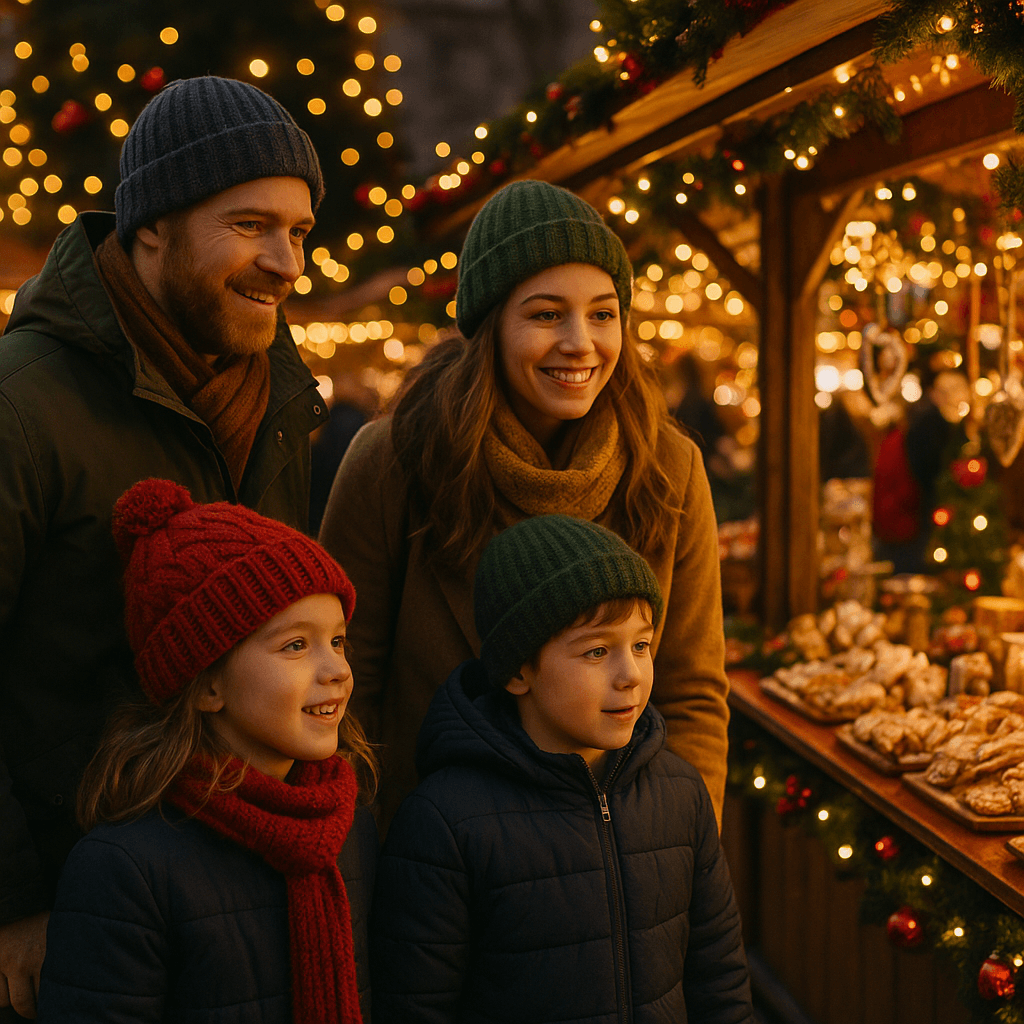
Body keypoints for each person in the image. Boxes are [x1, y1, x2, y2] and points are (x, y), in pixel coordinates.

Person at [0, 76, 328, 1020]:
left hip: (232, 883)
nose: (286, 262)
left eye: (299, 232)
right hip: (67, 907)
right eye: (250, 224)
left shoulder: (275, 396)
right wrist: (14, 901)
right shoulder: (24, 406)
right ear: (150, 227)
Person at [320, 179, 729, 829]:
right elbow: (344, 694)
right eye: (545, 314)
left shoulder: (668, 469)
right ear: (490, 325)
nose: (580, 342)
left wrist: (675, 853)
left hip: (615, 859)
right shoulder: (394, 459)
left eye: (602, 313)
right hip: (438, 870)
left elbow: (692, 692)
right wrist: (369, 874)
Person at [371, 514, 752, 1024]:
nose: (631, 676)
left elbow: (720, 983)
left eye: (641, 645)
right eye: (597, 651)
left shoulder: (680, 794)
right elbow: (417, 1008)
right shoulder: (444, 824)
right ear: (519, 671)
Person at [37, 479, 375, 1024]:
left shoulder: (347, 828)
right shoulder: (124, 871)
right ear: (206, 685)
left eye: (338, 641)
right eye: (296, 645)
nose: (337, 670)